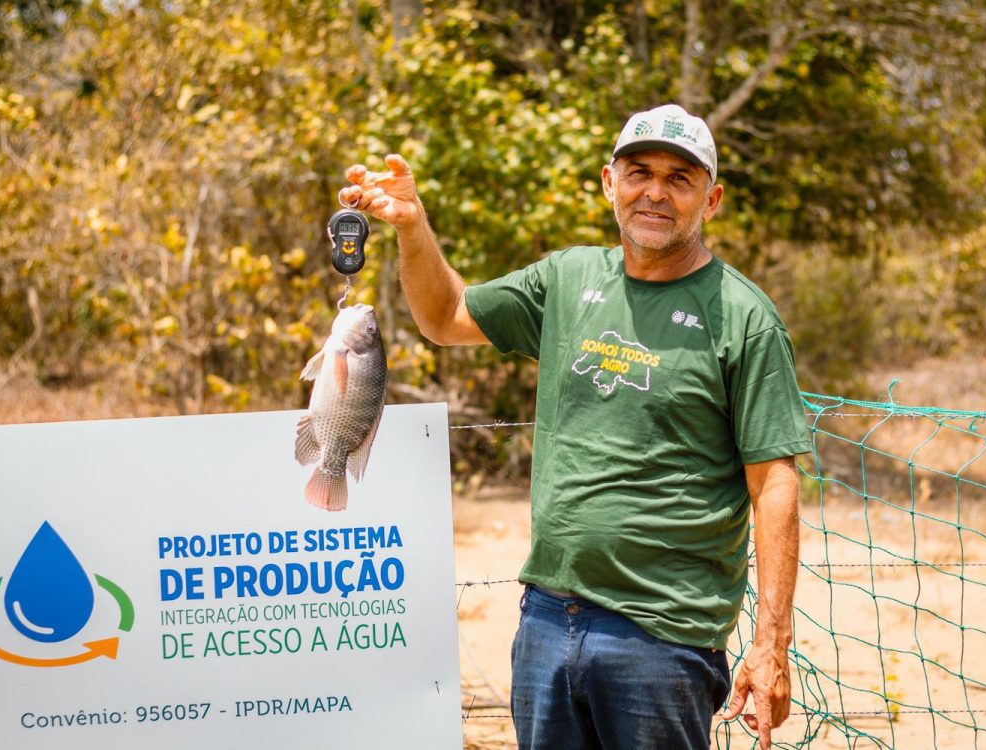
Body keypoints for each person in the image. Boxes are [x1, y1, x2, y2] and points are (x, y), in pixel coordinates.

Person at [340, 104, 811, 750]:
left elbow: (775, 485)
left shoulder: (743, 317)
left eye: (680, 178)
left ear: (713, 199)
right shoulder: (565, 280)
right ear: (607, 183)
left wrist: (771, 642)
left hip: (663, 641)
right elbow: (445, 315)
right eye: (639, 171)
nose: (655, 191)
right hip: (546, 624)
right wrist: (413, 227)